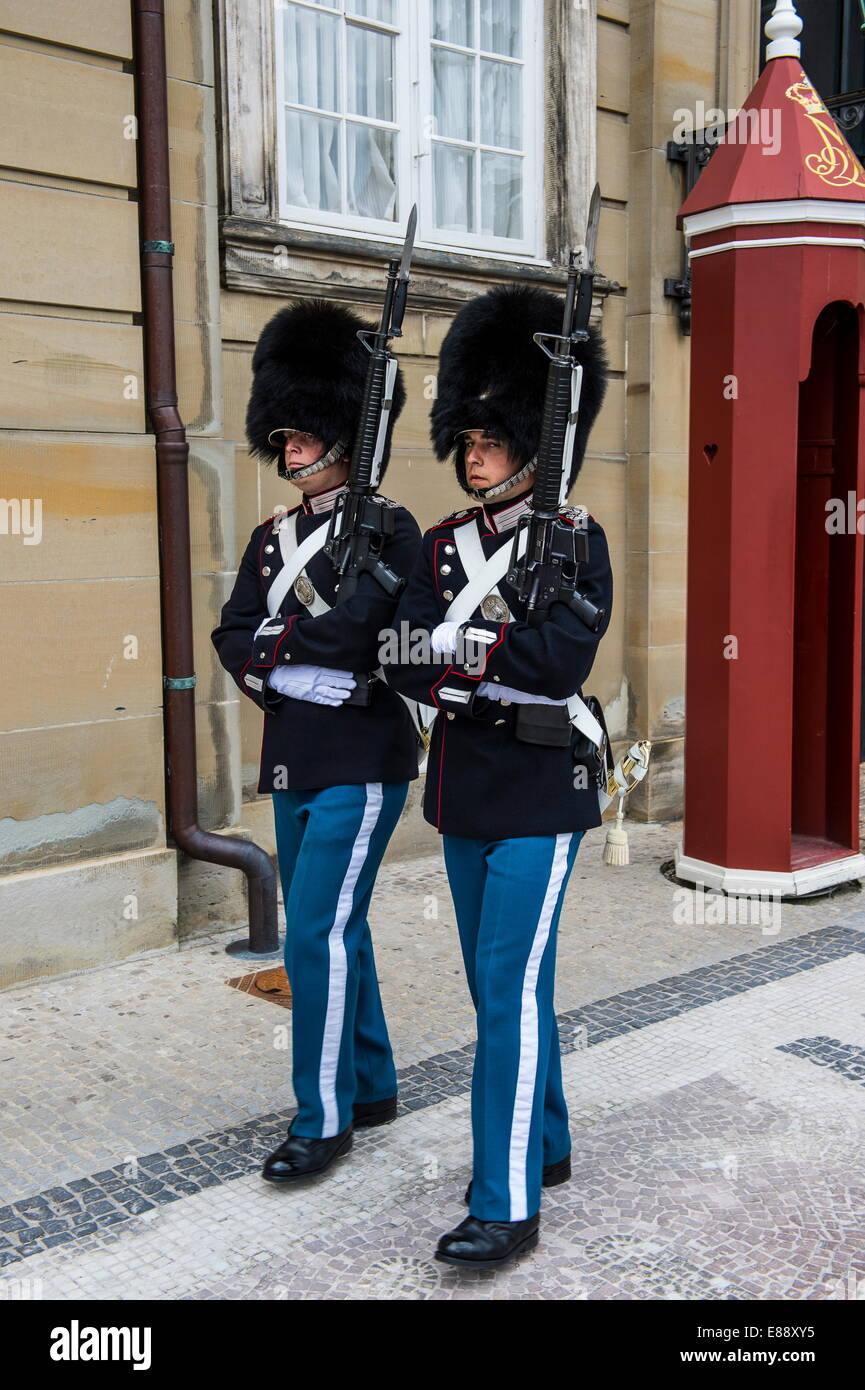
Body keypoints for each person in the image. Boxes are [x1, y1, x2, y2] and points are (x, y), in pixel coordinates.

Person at [384, 284, 612, 1268]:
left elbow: (559, 662)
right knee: (503, 989)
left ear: (530, 439)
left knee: (507, 991)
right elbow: (395, 651)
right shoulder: (439, 548)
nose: (471, 452)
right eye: (464, 437)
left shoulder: (573, 539)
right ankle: (547, 1141)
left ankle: (505, 1201)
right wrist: (480, 653)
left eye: (488, 437)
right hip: (465, 789)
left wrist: (459, 655)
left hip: (539, 792)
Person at [212, 299, 422, 1183]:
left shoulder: (393, 529)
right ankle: (369, 1083)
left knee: (311, 940)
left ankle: (322, 1116)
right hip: (294, 756)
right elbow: (231, 633)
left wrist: (282, 650)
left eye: (305, 435)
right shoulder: (272, 540)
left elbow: (366, 631)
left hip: (363, 759)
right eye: (284, 435)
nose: (290, 448)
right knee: (335, 925)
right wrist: (286, 669)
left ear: (345, 434)